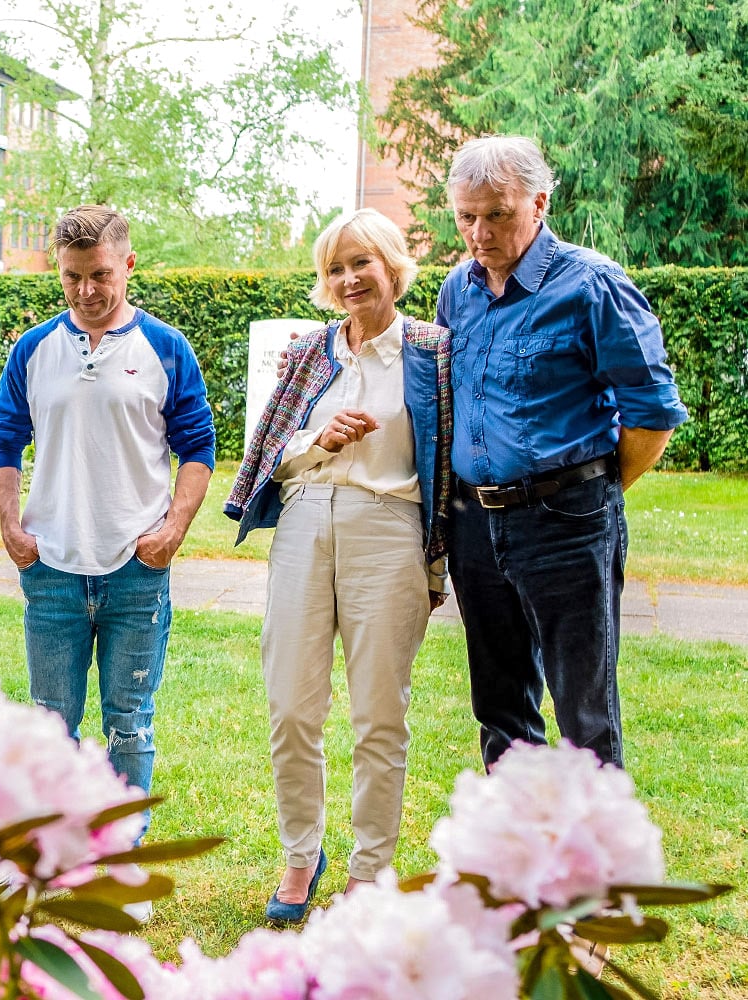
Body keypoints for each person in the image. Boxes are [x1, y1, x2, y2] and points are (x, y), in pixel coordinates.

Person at [225, 209, 452, 923]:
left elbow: (450, 460)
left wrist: (442, 561)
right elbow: (270, 455)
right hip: (302, 523)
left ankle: (370, 870)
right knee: (292, 705)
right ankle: (300, 856)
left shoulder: (433, 351)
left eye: (362, 263)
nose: (350, 279)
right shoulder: (309, 352)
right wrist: (318, 439)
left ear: (393, 267)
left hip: (387, 531)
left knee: (378, 715)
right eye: (335, 268)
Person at [437, 135, 688, 771]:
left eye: (496, 214)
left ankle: (592, 864)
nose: (478, 232)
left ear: (539, 204)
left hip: (566, 520)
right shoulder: (457, 290)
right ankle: (515, 852)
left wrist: (594, 494)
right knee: (499, 703)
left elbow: (652, 414)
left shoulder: (593, 285)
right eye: (466, 216)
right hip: (475, 522)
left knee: (584, 709)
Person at [0, 204, 216, 837]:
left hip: (135, 570)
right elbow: (4, 442)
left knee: (129, 721)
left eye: (100, 275)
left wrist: (172, 531)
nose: (86, 291)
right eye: (71, 277)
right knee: (51, 723)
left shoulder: (166, 347)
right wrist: (11, 526)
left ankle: (119, 852)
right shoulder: (33, 350)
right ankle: (53, 851)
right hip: (51, 568)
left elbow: (198, 448)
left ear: (128, 266)